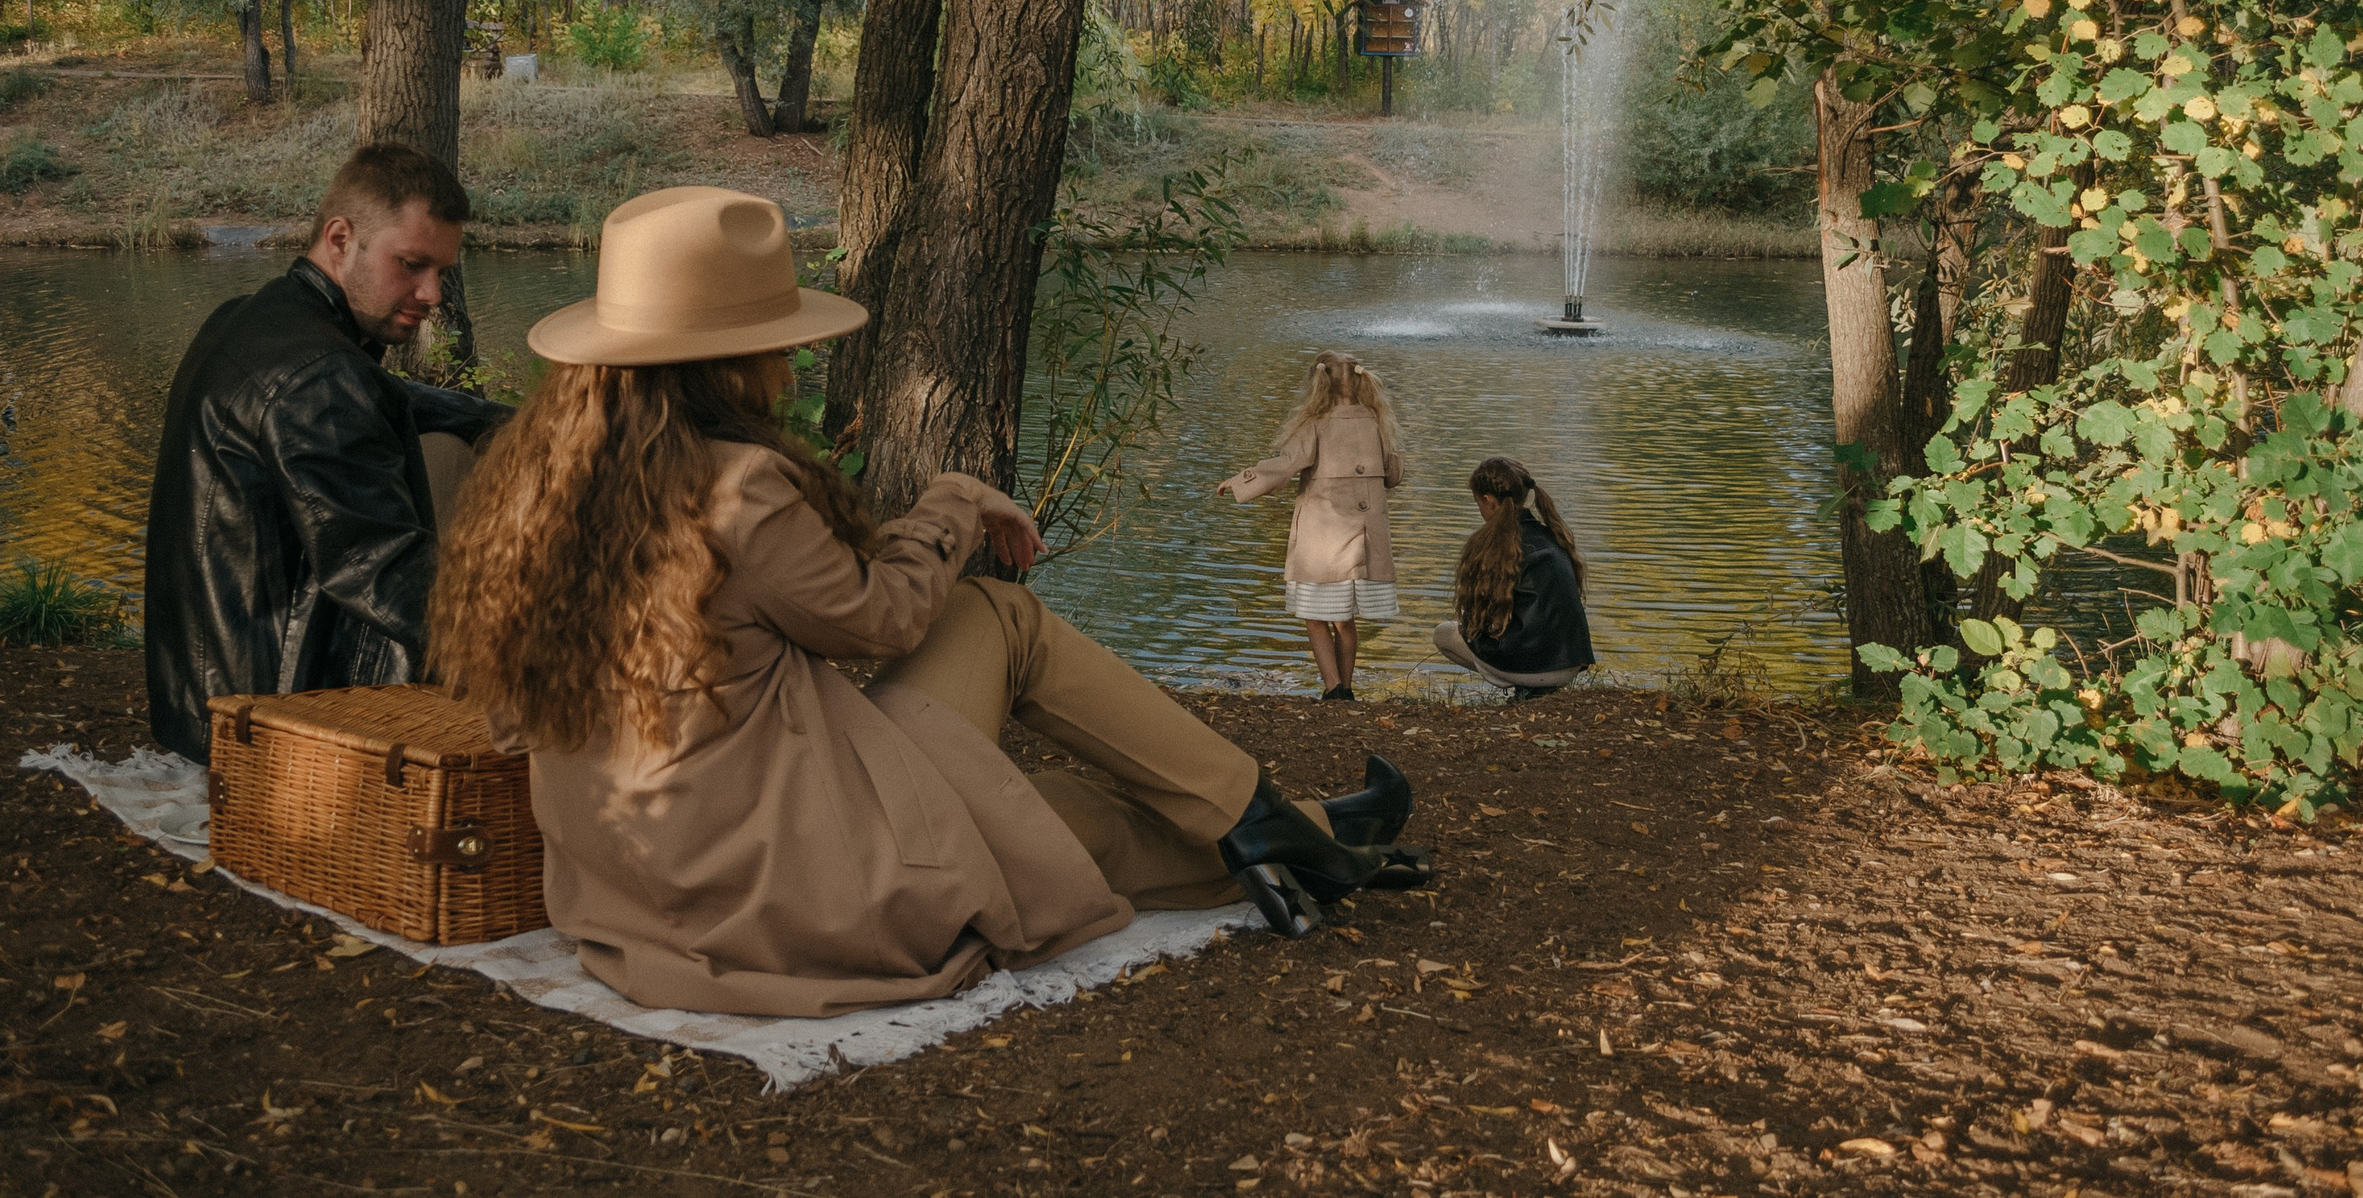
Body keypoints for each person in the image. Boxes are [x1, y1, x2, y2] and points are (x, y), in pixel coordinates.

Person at [429, 187, 1430, 1018]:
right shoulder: (735, 487)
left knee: (1003, 670)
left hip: (640, 879)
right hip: (801, 886)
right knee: (1057, 815)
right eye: (777, 345)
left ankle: (1280, 819)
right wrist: (952, 498)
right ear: (728, 360)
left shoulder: (539, 488)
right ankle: (1290, 825)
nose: (789, 366)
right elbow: (881, 621)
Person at [142, 144, 510, 762]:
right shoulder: (323, 381)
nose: (433, 294)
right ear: (341, 239)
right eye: (413, 264)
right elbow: (387, 574)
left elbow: (389, 398)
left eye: (442, 272)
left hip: (194, 704)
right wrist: (549, 649)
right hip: (264, 723)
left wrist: (518, 425)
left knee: (451, 440)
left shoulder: (251, 320)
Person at [1214, 351, 1405, 701]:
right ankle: (1347, 689)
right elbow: (1394, 475)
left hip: (1324, 544)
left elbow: (1284, 466)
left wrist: (1239, 482)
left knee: (1317, 618)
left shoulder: (1315, 423)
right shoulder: (1377, 421)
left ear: (1318, 383)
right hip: (1364, 540)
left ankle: (1333, 689)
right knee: (1346, 620)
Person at [1431, 457, 1595, 698]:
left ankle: (1525, 685)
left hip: (1529, 666)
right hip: (1570, 663)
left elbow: (1480, 620)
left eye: (1478, 503)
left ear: (1488, 500)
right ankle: (1536, 689)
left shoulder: (1490, 544)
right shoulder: (1554, 536)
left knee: (1443, 633)